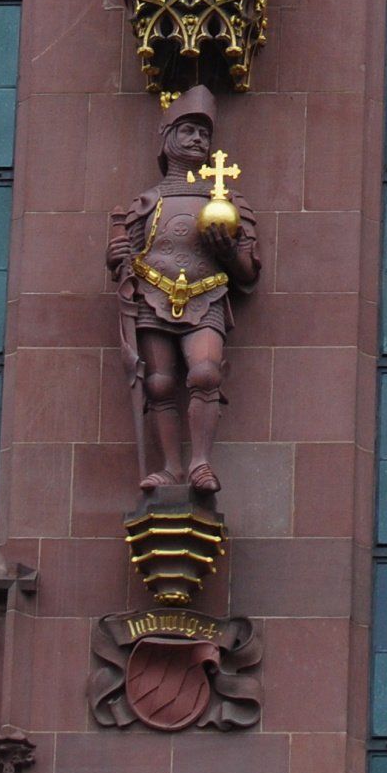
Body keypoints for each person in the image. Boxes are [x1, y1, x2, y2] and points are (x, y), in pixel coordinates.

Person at [106, 85, 259, 498]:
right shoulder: (148, 202)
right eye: (188, 130)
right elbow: (131, 254)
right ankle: (171, 467)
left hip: (205, 295)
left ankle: (200, 461)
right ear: (168, 136)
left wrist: (227, 252)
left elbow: (247, 269)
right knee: (158, 382)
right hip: (153, 298)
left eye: (204, 134)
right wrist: (116, 254)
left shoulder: (226, 198)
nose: (197, 140)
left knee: (205, 372)